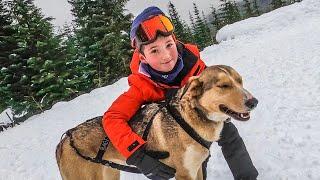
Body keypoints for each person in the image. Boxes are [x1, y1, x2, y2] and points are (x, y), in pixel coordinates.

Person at [102, 6, 258, 180]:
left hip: (200, 117)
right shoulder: (141, 86)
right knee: (194, 152)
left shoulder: (195, 67)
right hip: (174, 133)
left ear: (175, 42)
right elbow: (112, 118)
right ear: (143, 58)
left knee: (228, 133)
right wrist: (137, 155)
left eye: (169, 45)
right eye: (154, 50)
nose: (166, 55)